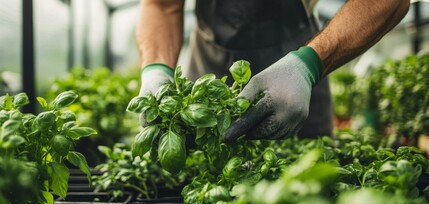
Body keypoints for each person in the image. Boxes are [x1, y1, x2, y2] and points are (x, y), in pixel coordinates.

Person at [136, 0, 409, 141]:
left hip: (302, 67)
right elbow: (162, 4)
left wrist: (310, 65)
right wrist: (156, 69)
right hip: (209, 66)